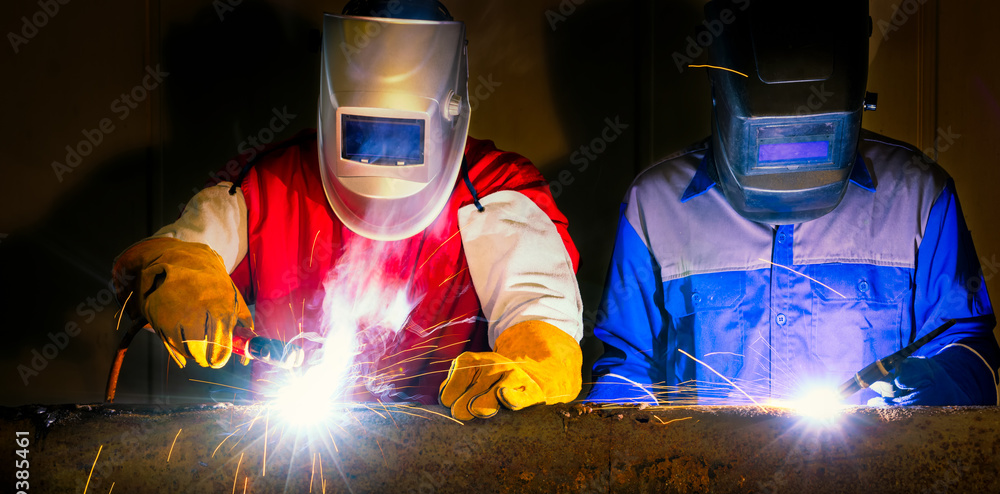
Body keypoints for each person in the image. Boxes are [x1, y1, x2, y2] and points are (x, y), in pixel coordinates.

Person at [112, 0, 584, 420]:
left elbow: (539, 309)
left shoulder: (495, 189)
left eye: (401, 137)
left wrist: (536, 360)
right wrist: (178, 270)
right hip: (291, 472)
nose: (380, 157)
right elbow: (180, 254)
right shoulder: (269, 183)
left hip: (450, 459)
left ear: (449, 112)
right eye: (361, 132)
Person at [587, 0, 999, 407]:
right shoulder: (656, 205)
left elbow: (969, 349)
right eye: (769, 141)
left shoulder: (917, 195)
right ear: (723, 97)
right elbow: (627, 371)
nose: (791, 163)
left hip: (875, 474)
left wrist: (940, 383)